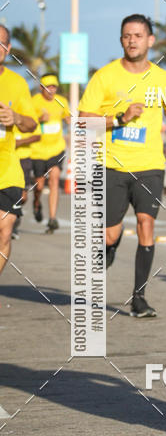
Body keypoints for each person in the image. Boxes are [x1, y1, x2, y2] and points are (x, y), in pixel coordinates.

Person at [79, 14, 166, 318]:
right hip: (111, 166)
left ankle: (139, 298)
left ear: (150, 41)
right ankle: (110, 245)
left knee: (146, 224)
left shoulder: (163, 79)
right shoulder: (105, 76)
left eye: (138, 35)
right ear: (121, 40)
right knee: (109, 235)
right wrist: (120, 118)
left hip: (150, 165)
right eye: (127, 36)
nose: (132, 41)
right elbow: (83, 120)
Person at [0, 25, 37, 274]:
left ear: (8, 48)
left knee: (5, 231)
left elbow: (31, 123)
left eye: (1, 43)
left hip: (7, 170)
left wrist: (16, 117)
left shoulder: (17, 83)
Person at [30, 73, 70, 233]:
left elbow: (67, 117)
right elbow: (26, 123)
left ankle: (52, 219)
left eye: (54, 87)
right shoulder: (34, 102)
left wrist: (71, 121)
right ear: (41, 88)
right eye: (48, 87)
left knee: (54, 178)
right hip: (37, 150)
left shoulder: (61, 101)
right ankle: (36, 203)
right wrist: (39, 119)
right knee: (39, 186)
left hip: (56, 148)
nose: (52, 90)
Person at [12, 124, 40, 238]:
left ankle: (15, 217)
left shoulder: (27, 117)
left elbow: (37, 136)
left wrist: (19, 142)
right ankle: (12, 225)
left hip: (24, 160)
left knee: (23, 197)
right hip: (7, 160)